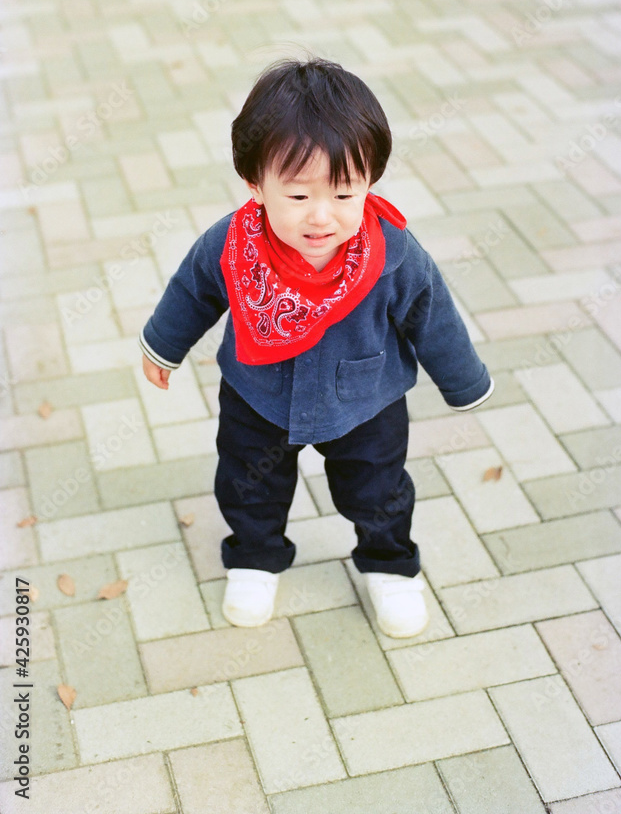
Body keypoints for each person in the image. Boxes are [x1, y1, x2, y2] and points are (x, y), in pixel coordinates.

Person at [139, 56, 494, 638]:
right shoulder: (233, 243)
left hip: (366, 399)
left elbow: (432, 314)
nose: (322, 216)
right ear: (256, 184)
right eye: (299, 195)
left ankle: (390, 566)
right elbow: (192, 291)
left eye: (344, 193)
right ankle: (255, 557)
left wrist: (464, 381)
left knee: (379, 490)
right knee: (248, 482)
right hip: (257, 393)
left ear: (370, 182)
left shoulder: (392, 253)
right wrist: (162, 346)